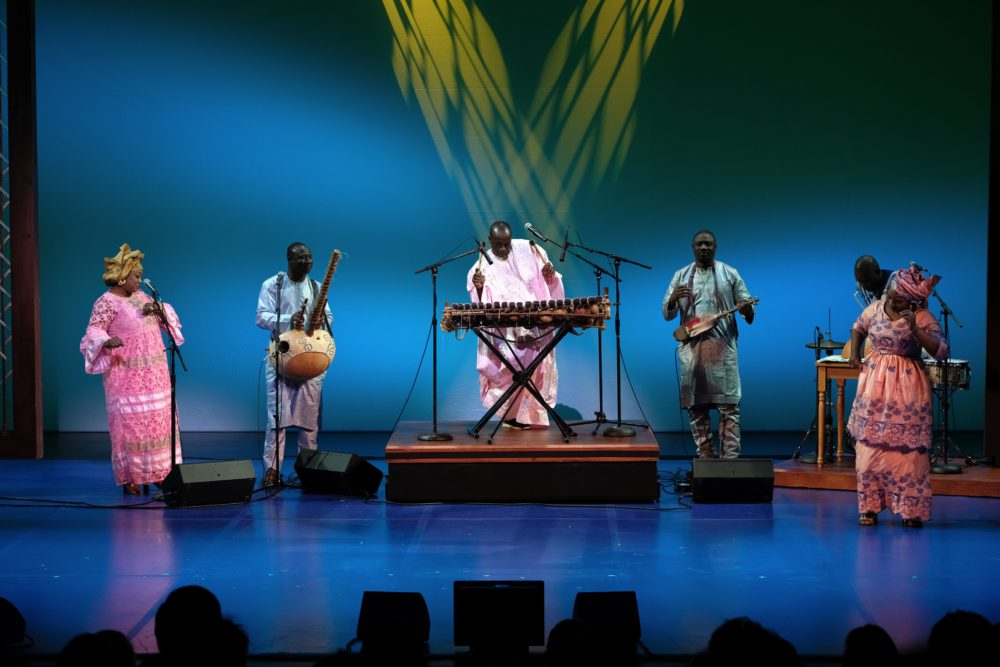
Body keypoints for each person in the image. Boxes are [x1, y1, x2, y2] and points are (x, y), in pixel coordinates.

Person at [847, 266, 948, 528]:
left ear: (912, 301)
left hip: (907, 387)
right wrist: (855, 353)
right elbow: (858, 327)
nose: (891, 302)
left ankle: (910, 511)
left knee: (908, 455)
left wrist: (915, 328)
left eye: (898, 299)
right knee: (869, 450)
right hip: (874, 385)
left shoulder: (923, 317)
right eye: (890, 297)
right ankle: (869, 508)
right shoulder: (876, 309)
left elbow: (941, 351)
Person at [80, 244, 184, 495]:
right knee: (132, 426)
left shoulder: (142, 298)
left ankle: (161, 474)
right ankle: (131, 477)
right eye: (137, 276)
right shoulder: (106, 302)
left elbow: (168, 324)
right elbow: (93, 331)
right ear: (123, 276)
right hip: (127, 376)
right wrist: (106, 341)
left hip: (155, 373)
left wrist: (158, 309)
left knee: (158, 423)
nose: (139, 281)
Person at [662, 230, 755, 459]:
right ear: (692, 247)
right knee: (697, 409)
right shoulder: (680, 275)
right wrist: (673, 298)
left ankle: (730, 463)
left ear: (716, 247)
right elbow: (667, 314)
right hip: (692, 353)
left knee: (729, 409)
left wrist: (746, 309)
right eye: (699, 244)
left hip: (723, 351)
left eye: (708, 244)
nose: (704, 248)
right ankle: (707, 460)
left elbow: (749, 313)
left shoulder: (730, 273)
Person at [467, 220, 564, 429]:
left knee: (536, 368)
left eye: (506, 243)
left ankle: (527, 416)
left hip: (533, 325)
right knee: (509, 370)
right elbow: (479, 302)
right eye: (498, 244)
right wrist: (480, 287)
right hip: (505, 331)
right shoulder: (481, 265)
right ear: (490, 240)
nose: (503, 248)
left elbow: (547, 279)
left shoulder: (528, 250)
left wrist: (549, 275)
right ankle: (510, 416)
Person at [256, 242, 333, 487]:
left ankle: (308, 468)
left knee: (309, 420)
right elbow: (261, 316)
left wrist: (319, 319)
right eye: (302, 258)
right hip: (282, 358)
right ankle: (272, 470)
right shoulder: (273, 285)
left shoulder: (315, 286)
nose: (308, 262)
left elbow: (329, 317)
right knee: (277, 418)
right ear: (289, 259)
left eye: (310, 257)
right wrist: (291, 319)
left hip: (310, 359)